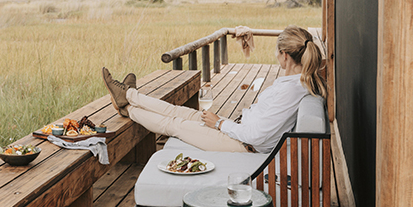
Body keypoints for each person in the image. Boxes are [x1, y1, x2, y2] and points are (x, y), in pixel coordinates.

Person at [102, 25, 327, 153]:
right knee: (180, 112)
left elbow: (257, 136)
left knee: (175, 124)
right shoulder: (296, 83)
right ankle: (130, 95)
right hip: (238, 132)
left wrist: (219, 123)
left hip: (243, 146)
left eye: (277, 52)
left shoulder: (291, 90)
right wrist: (222, 123)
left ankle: (127, 107)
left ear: (284, 56)